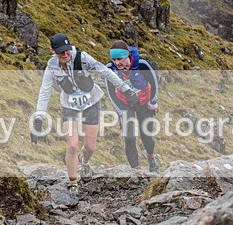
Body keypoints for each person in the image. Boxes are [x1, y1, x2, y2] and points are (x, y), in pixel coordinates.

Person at [31, 33, 140, 193]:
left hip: (91, 103)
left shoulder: (83, 58)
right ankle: (73, 183)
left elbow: (106, 72)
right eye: (61, 52)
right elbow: (45, 91)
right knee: (72, 144)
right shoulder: (52, 67)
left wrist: (127, 90)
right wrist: (39, 118)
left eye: (67, 50)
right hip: (69, 105)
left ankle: (83, 161)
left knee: (90, 147)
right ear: (52, 51)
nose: (65, 54)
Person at [105, 40, 160, 172]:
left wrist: (153, 102)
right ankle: (136, 170)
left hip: (144, 102)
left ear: (128, 56)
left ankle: (151, 158)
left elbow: (154, 83)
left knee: (146, 135)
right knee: (129, 137)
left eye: (120, 59)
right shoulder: (110, 69)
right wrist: (119, 110)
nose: (117, 63)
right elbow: (111, 92)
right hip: (125, 103)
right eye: (114, 59)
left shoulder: (141, 64)